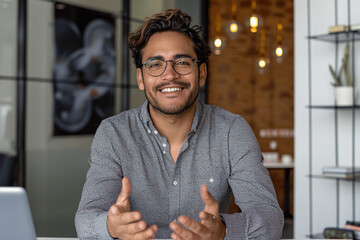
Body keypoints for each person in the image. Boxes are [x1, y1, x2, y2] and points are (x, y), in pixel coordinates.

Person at [75, 9, 284, 240]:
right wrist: (111, 226)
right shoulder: (113, 133)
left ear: (201, 73)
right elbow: (86, 218)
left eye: (182, 62)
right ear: (140, 78)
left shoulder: (231, 130)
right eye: (155, 64)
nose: (170, 75)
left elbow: (270, 218)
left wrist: (223, 230)